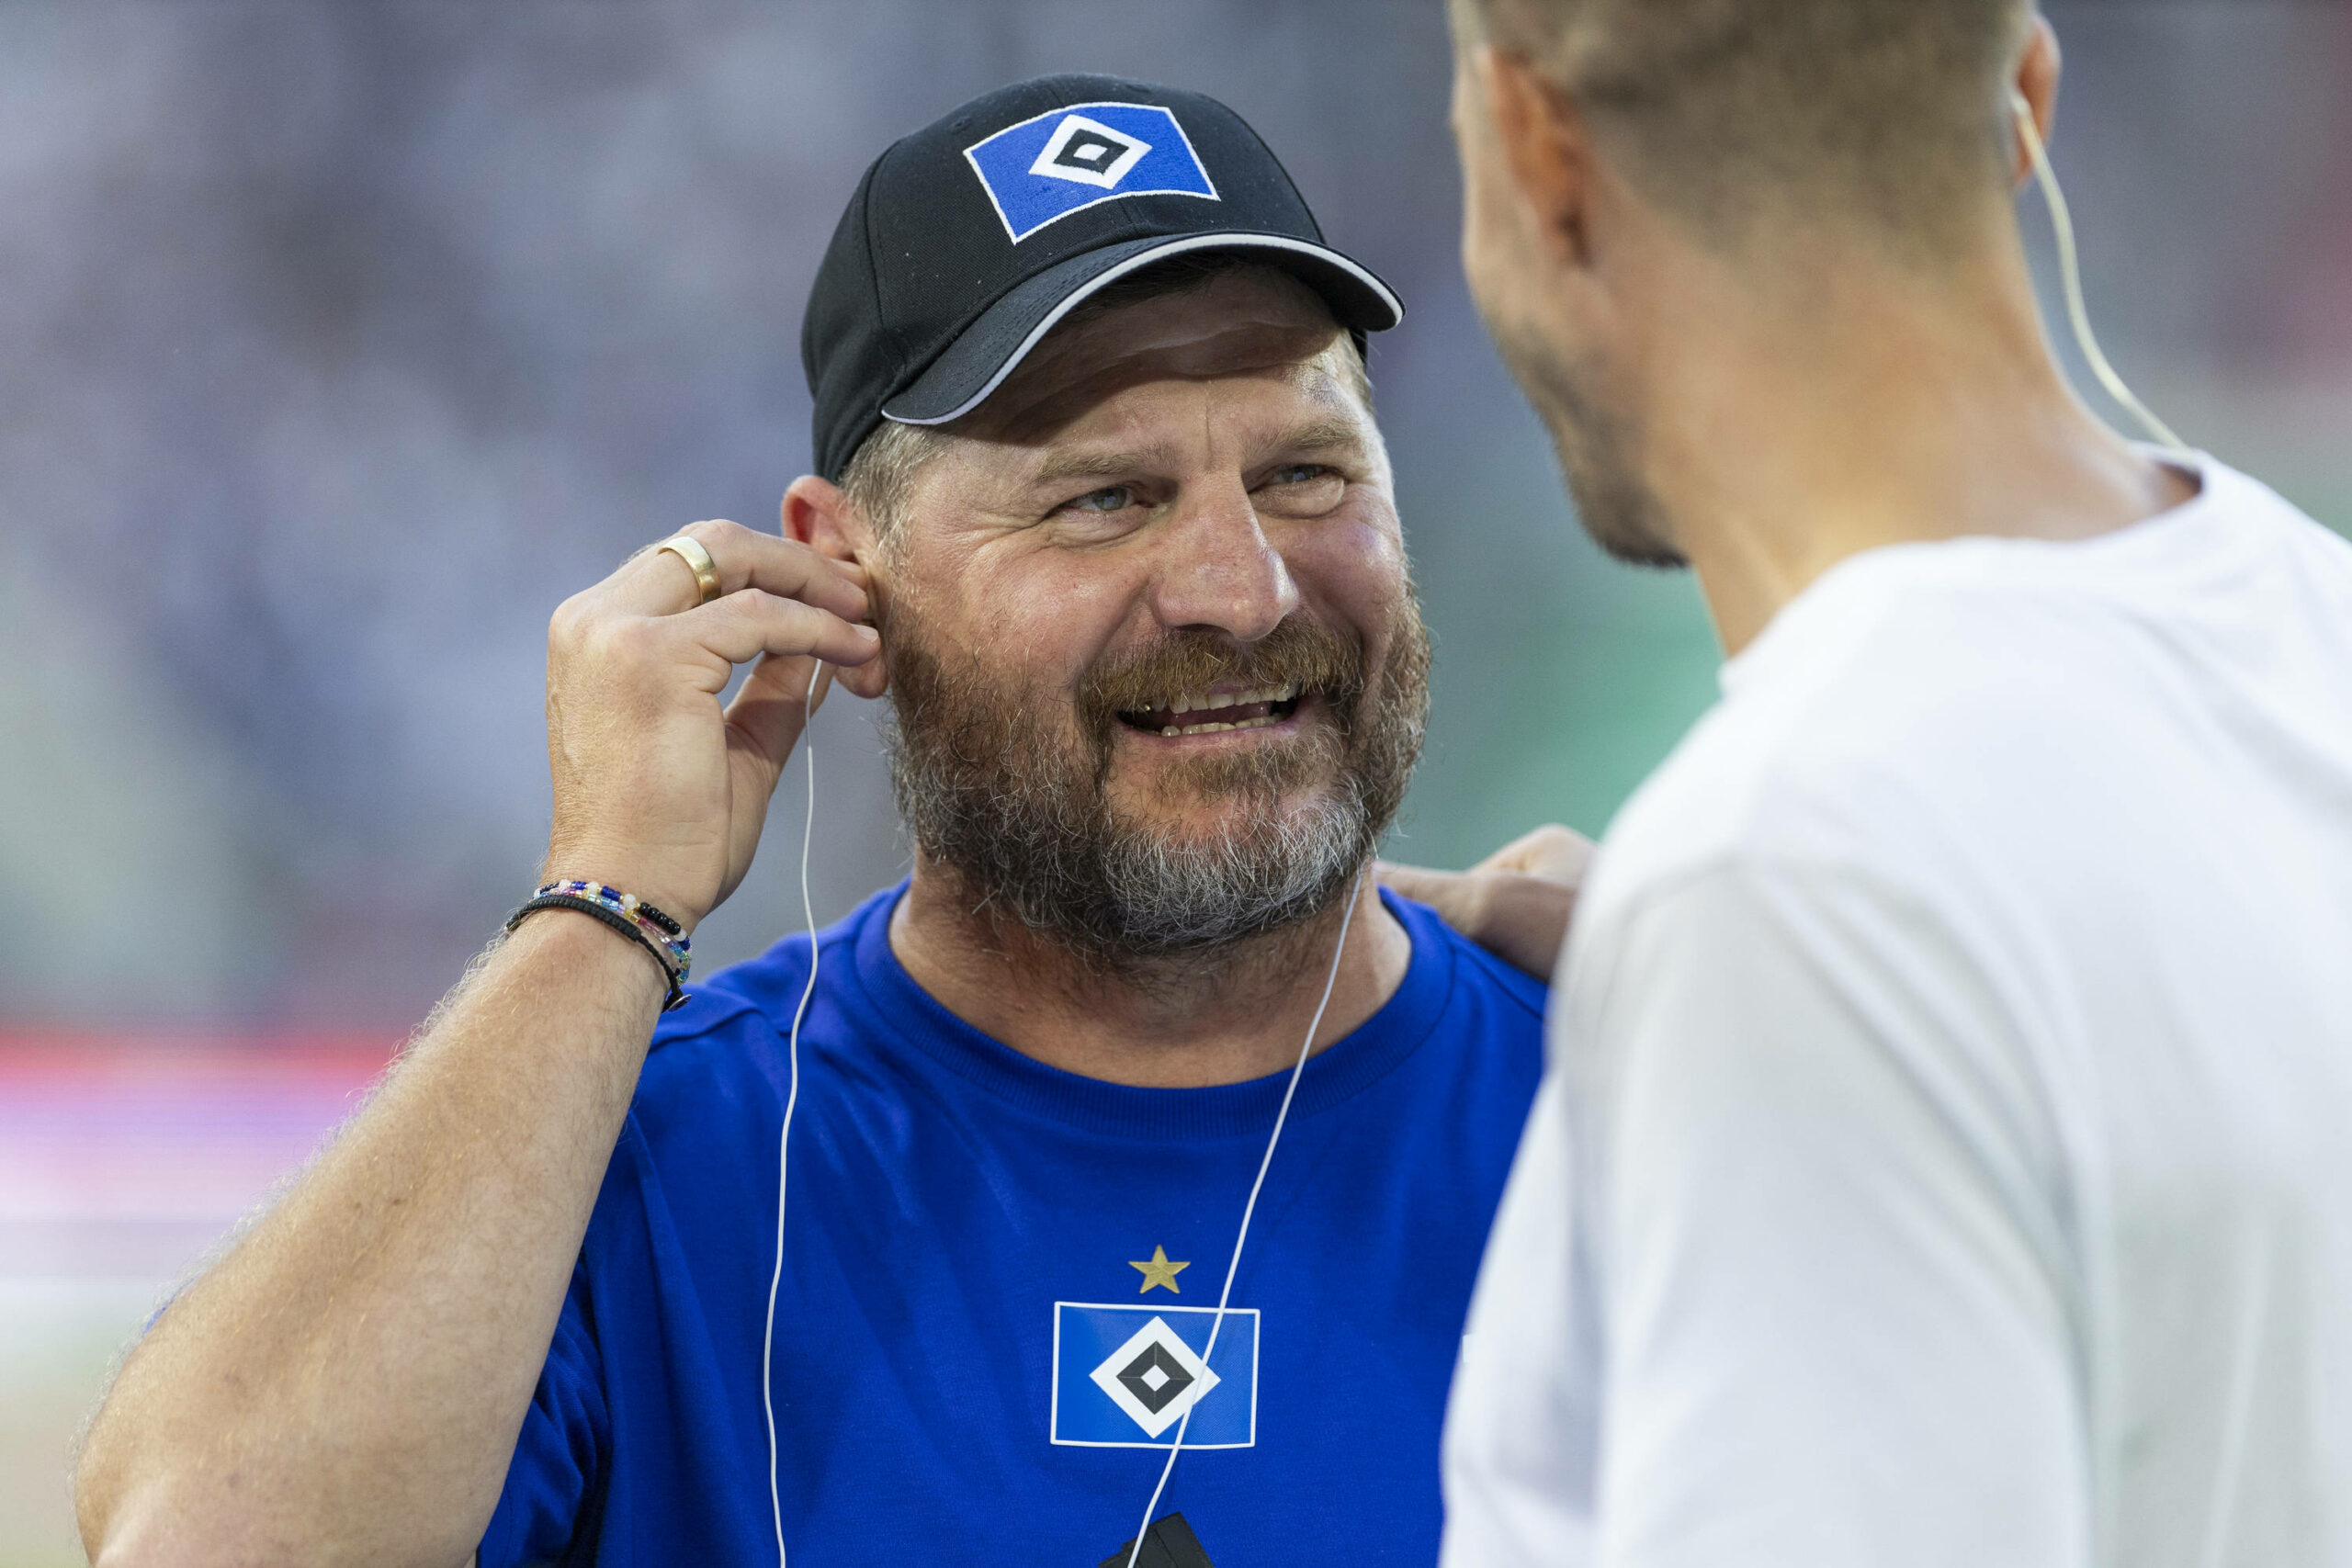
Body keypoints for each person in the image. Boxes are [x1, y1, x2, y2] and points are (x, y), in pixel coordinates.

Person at [74, 75, 1588, 1568]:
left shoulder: (1625, 1095)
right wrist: (603, 909)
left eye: (1309, 473)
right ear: (843, 576)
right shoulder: (626, 1166)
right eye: (1105, 499)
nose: (1242, 587)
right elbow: (205, 1540)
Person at [1440, 1, 2352, 1564]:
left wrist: (1784, 970)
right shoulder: (2318, 628)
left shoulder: (1792, 886)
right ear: (2028, 94)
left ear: (1538, 150)